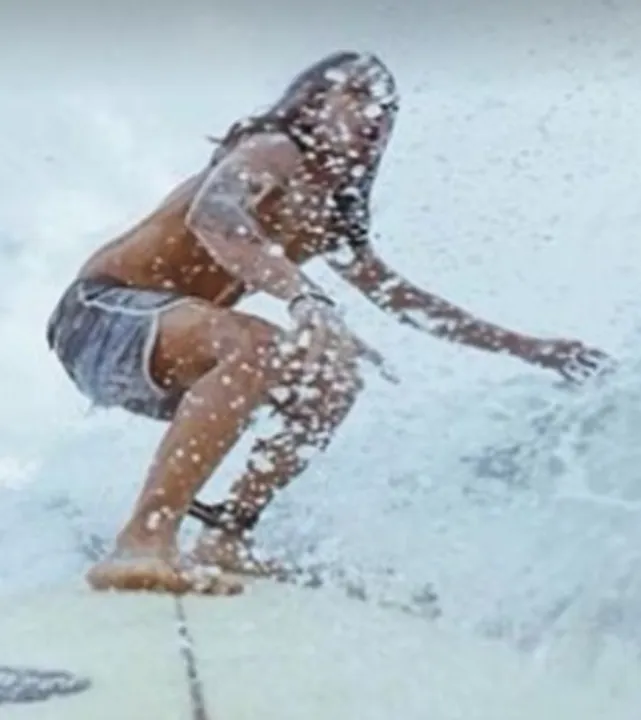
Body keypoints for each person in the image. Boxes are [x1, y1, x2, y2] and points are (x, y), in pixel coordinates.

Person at [46, 51, 610, 595]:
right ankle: (142, 542)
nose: (374, 114)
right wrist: (307, 300)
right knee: (253, 344)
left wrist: (529, 348)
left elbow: (403, 300)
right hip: (97, 318)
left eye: (387, 109)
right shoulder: (273, 150)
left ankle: (228, 533)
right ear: (314, 102)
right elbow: (213, 216)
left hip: (163, 353)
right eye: (358, 94)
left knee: (332, 380)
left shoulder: (329, 215)